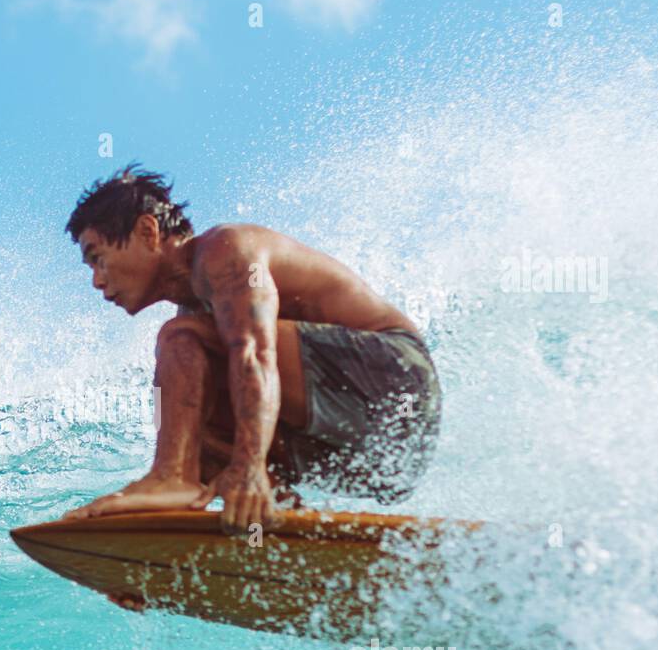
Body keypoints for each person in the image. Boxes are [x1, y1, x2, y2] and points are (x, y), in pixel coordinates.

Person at [62, 164, 441, 535]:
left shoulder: (225, 251)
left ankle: (171, 478)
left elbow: (255, 352)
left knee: (181, 340)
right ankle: (279, 534)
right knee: (202, 436)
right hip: (382, 460)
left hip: (399, 388)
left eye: (98, 258)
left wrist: (250, 465)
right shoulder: (196, 317)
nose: (96, 281)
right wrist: (143, 565)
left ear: (147, 231)